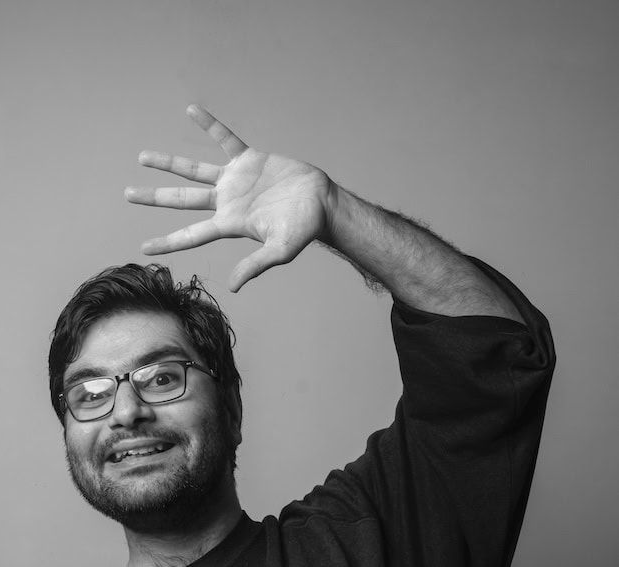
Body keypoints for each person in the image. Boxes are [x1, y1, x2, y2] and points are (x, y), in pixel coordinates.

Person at [47, 105, 555, 566]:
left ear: (232, 409)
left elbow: (490, 358)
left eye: (160, 377)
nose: (127, 411)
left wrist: (334, 210)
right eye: (90, 393)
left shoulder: (357, 544)